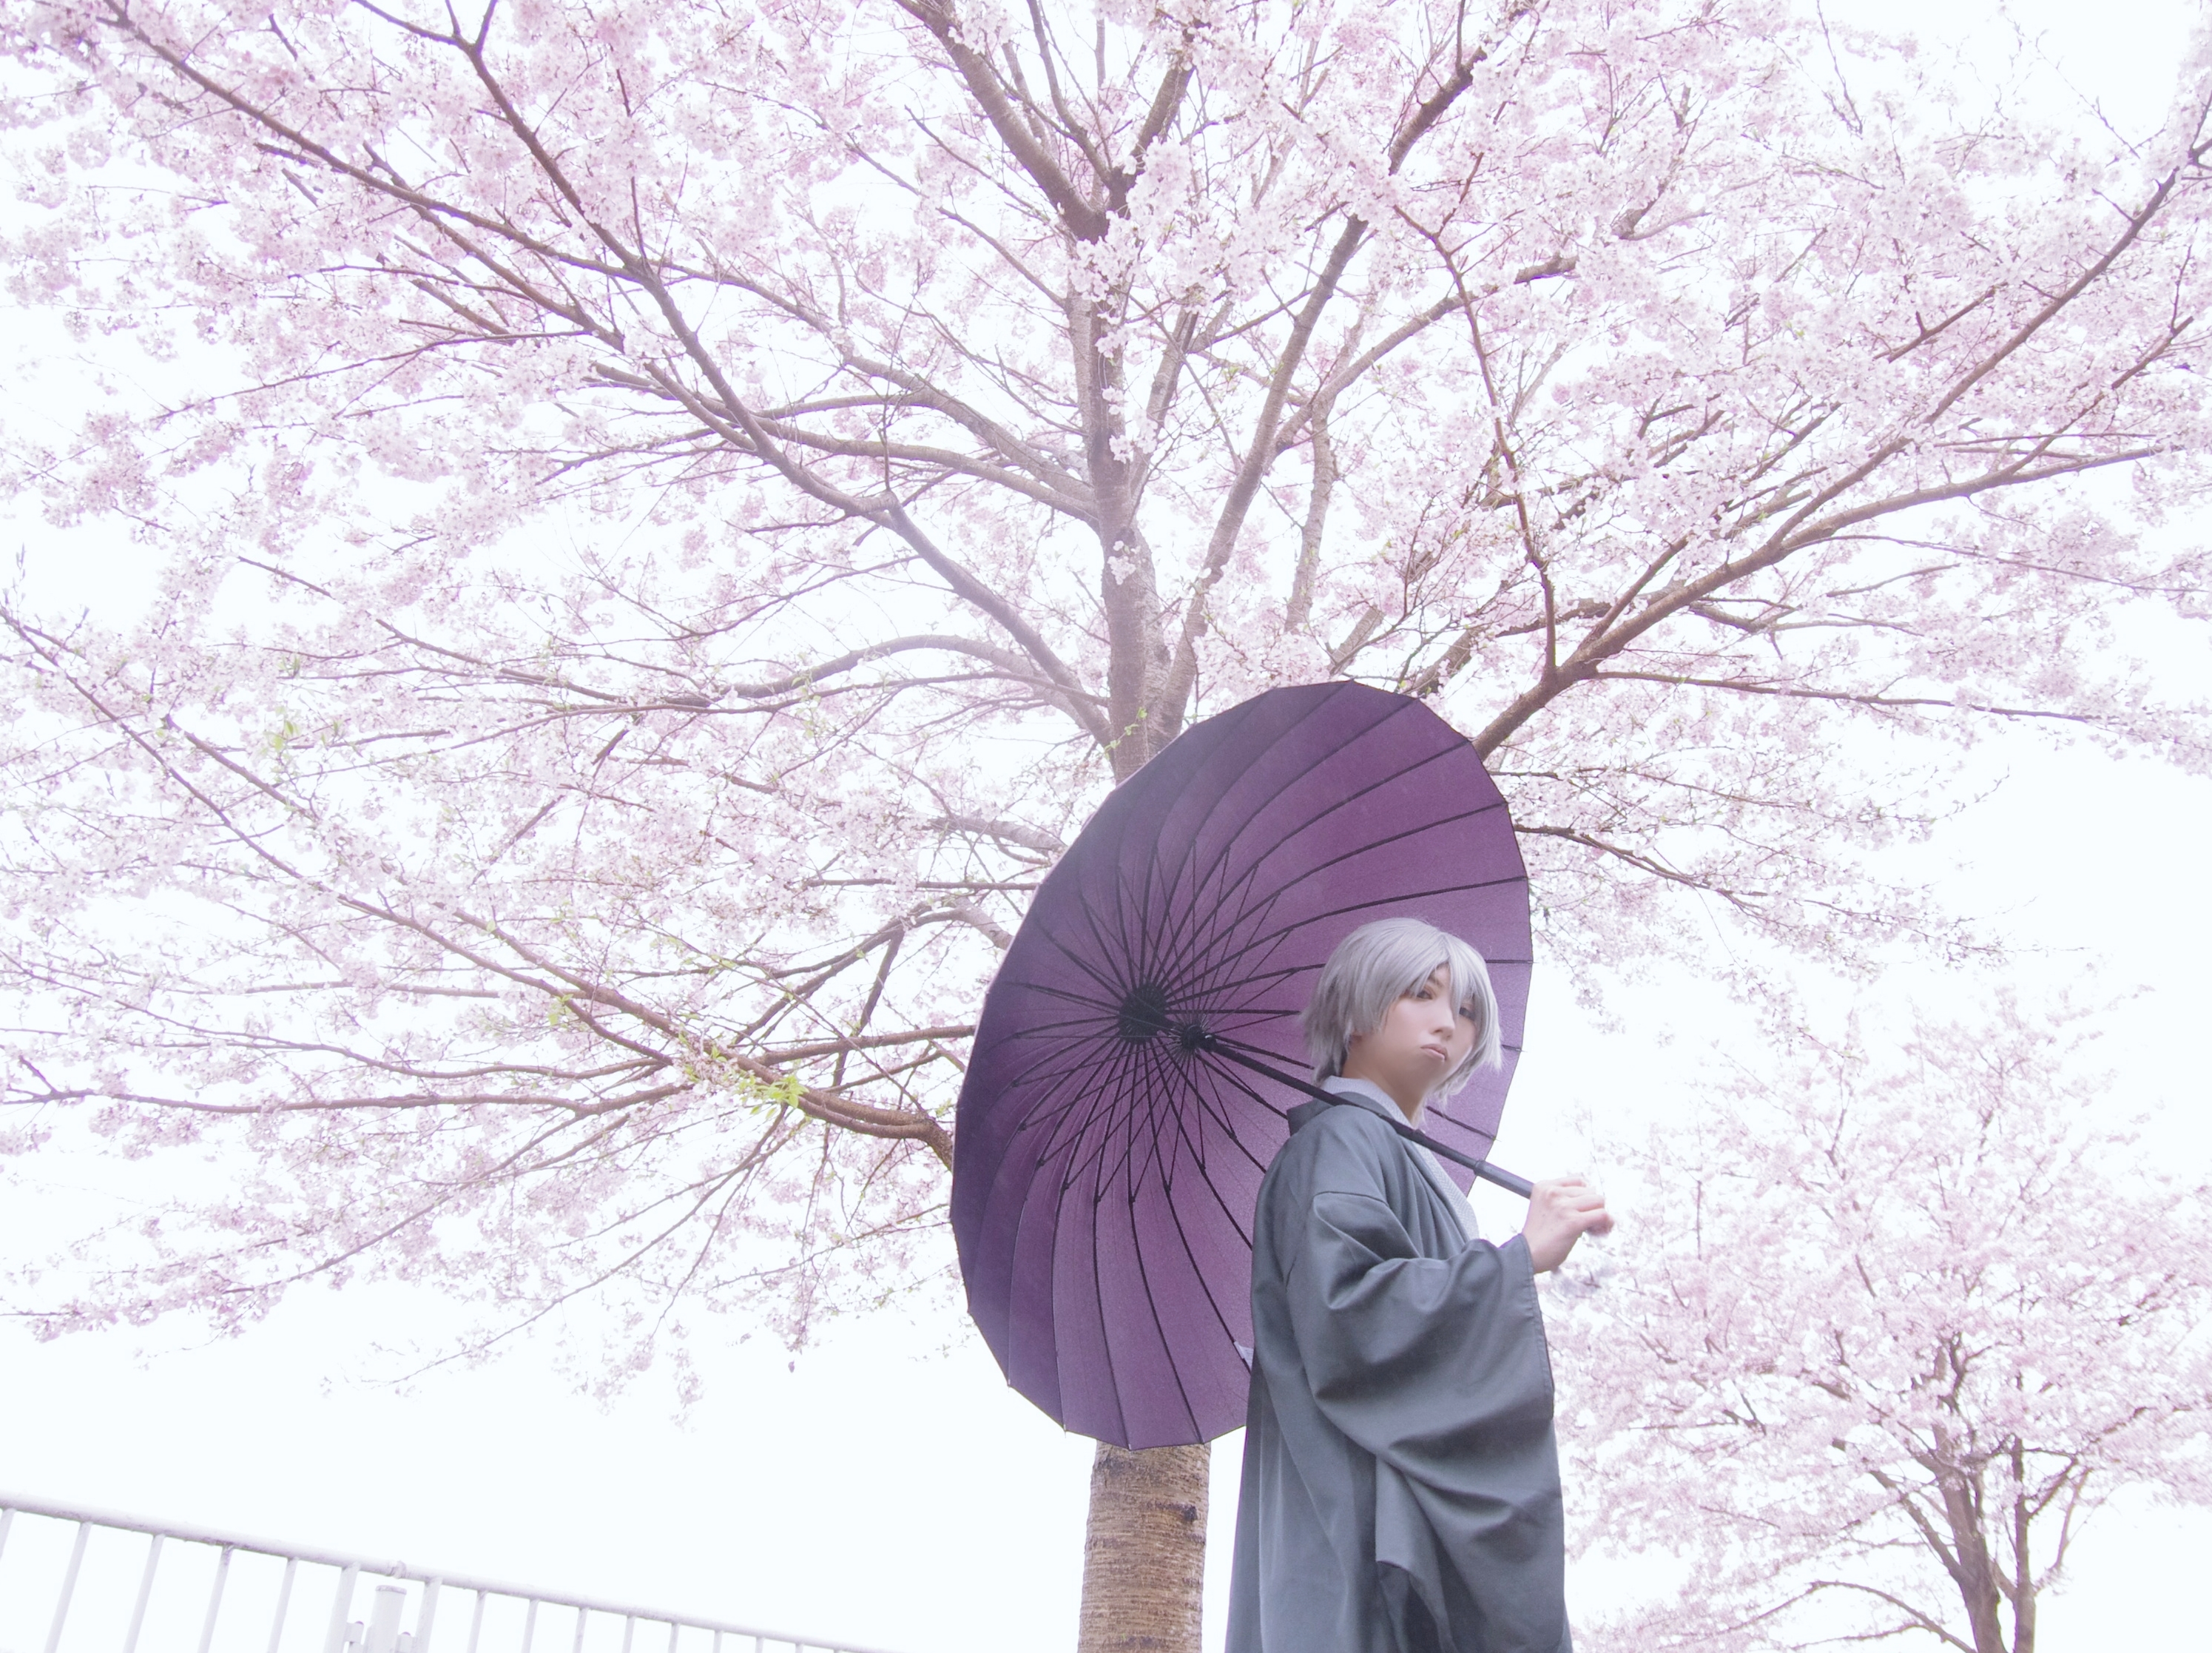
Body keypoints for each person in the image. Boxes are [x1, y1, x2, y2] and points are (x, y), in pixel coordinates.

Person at [1226, 916, 1611, 1653]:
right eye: (1418, 993)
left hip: (1397, 1487)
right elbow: (1350, 1311)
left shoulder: (1405, 1162)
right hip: (1354, 1499)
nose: (1446, 1022)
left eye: (1465, 1009)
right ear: (1356, 1005)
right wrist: (1513, 1260)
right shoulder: (1338, 1141)